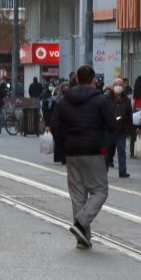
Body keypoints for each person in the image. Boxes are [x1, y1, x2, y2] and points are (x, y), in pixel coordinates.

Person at [51, 65, 117, 249]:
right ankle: (81, 223)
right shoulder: (100, 101)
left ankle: (83, 237)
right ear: (93, 79)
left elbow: (55, 125)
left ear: (77, 79)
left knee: (78, 194)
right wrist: (104, 141)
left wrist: (64, 144)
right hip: (94, 150)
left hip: (72, 152)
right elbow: (112, 125)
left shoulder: (64, 101)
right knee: (100, 191)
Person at [106, 77, 133, 178]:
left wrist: (129, 128)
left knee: (121, 150)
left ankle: (123, 171)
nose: (118, 87)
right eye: (116, 85)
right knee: (106, 151)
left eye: (120, 85)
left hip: (121, 129)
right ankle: (104, 169)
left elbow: (129, 114)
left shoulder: (126, 99)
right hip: (109, 130)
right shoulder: (107, 98)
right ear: (112, 87)